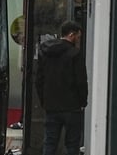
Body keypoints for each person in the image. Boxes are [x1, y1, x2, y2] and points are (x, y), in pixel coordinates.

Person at [36, 20, 88, 155]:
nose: (78, 39)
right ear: (71, 35)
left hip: (51, 106)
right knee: (72, 144)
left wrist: (44, 100)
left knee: (50, 142)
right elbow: (81, 81)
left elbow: (39, 79)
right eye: (78, 36)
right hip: (72, 107)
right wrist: (83, 101)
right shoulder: (75, 54)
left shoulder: (45, 52)